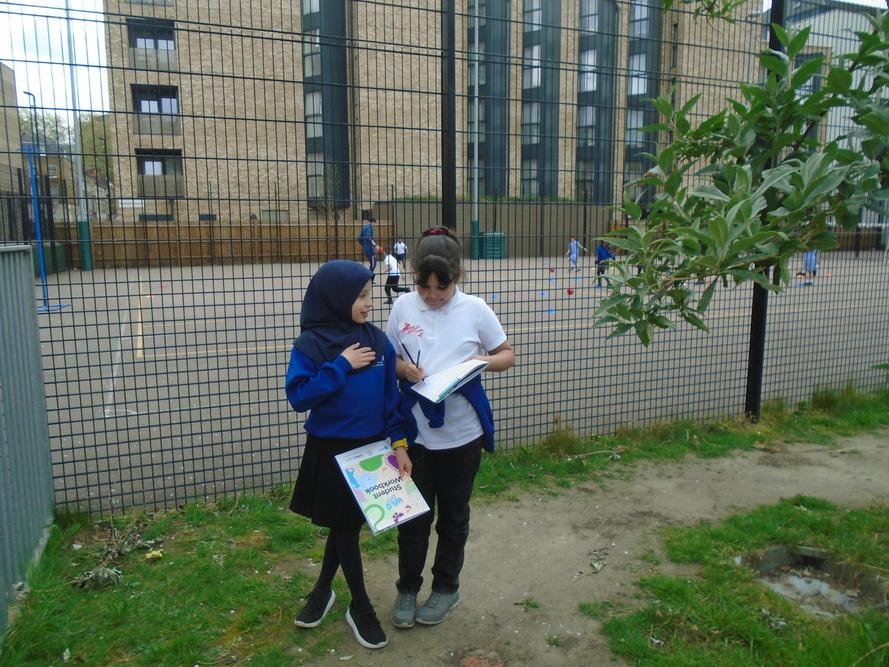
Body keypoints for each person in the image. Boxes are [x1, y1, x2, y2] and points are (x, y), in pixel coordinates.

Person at [385, 226, 515, 630]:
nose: (432, 295)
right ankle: (408, 588)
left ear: (457, 275)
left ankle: (446, 587)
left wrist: (477, 363)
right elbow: (389, 362)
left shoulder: (475, 309)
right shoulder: (402, 307)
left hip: (462, 436)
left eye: (441, 287)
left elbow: (506, 354)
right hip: (415, 437)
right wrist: (403, 369)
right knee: (412, 519)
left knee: (454, 517)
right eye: (423, 286)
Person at [285, 260, 408, 650]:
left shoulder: (378, 342)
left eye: (369, 294)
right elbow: (299, 396)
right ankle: (360, 607)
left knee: (345, 527)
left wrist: (399, 444)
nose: (369, 302)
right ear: (336, 298)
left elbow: (391, 399)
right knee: (345, 527)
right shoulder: (311, 345)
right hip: (330, 449)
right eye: (361, 296)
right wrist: (341, 365)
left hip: (370, 449)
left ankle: (323, 591)